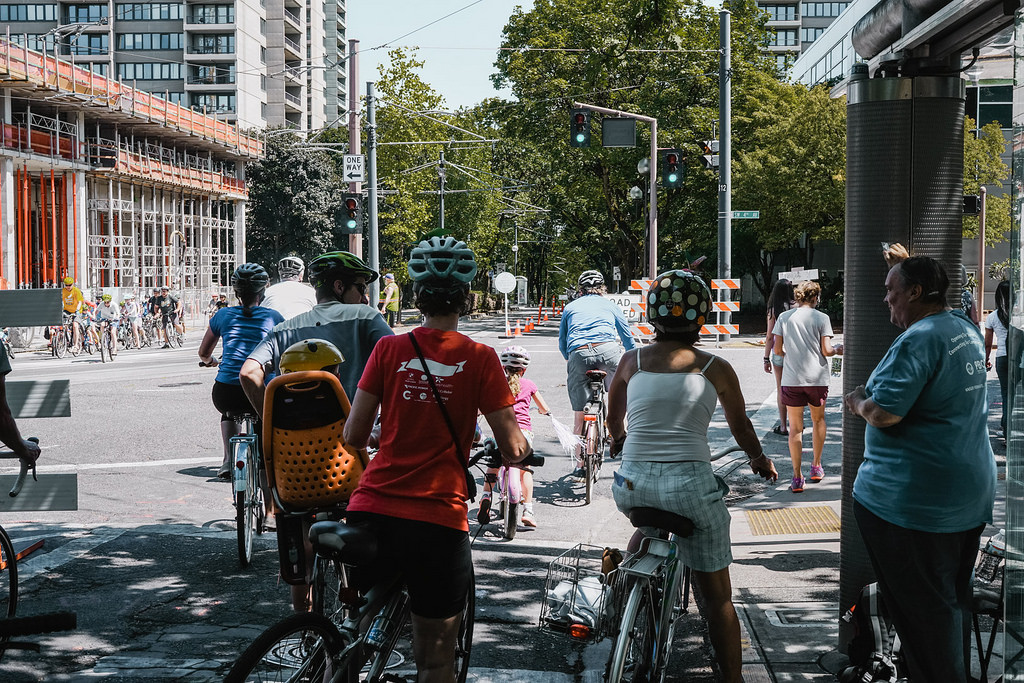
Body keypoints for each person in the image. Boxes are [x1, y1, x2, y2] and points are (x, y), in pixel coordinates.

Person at [344, 236, 531, 683]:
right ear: (465, 300)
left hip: (369, 511)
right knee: (434, 662)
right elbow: (513, 446)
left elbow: (353, 434)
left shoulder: (388, 350)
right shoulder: (481, 358)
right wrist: (519, 452)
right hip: (437, 521)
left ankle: (336, 659)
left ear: (416, 297)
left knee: (353, 631)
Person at [606, 269, 778, 683]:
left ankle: (622, 582)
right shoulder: (715, 366)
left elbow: (614, 418)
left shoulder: (633, 360)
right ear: (702, 319)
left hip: (631, 484)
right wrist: (758, 459)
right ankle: (733, 679)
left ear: (653, 315)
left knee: (648, 520)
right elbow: (741, 426)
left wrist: (618, 440)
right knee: (718, 599)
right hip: (690, 488)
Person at [844, 256, 995, 683]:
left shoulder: (919, 338)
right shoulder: (962, 328)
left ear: (914, 292)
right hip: (964, 497)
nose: (885, 297)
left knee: (923, 614)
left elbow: (886, 412)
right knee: (947, 603)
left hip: (914, 505)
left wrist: (857, 401)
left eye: (892, 288)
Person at [239, 250, 393, 415]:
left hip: (295, 437)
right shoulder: (365, 316)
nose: (364, 298)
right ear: (339, 287)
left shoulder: (283, 329)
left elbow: (248, 372)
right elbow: (398, 361)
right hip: (355, 434)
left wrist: (272, 421)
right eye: (361, 288)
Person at [198, 263, 284, 479]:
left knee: (228, 414)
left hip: (227, 392)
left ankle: (227, 460)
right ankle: (268, 464)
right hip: (260, 388)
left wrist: (210, 361)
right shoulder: (273, 317)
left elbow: (203, 353)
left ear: (236, 293)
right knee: (267, 419)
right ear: (262, 292)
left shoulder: (223, 315)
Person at [558, 269, 636, 479]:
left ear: (580, 289)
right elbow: (627, 338)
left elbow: (562, 342)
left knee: (579, 415)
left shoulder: (570, 307)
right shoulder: (611, 305)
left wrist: (572, 358)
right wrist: (633, 358)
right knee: (617, 394)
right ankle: (616, 433)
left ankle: (580, 463)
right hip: (608, 351)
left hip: (579, 354)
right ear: (603, 288)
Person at [772, 280, 843, 492]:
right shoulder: (822, 318)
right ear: (815, 297)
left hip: (792, 380)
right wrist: (838, 349)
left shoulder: (784, 318)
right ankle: (816, 466)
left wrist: (791, 356)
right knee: (818, 420)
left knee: (795, 428)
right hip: (817, 379)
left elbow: (777, 350)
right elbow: (827, 350)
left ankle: (796, 476)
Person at [478, 345, 550, 529]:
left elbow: (481, 406)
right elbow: (544, 408)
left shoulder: (495, 383)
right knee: (525, 468)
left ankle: (486, 496)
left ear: (503, 367)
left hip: (499, 432)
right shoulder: (530, 385)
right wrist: (544, 412)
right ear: (524, 369)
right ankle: (528, 509)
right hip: (522, 435)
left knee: (493, 464)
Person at [762, 278, 795, 436]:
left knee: (781, 388)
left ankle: (783, 426)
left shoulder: (773, 310)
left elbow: (769, 336)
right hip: (796, 353)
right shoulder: (798, 307)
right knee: (796, 388)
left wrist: (766, 358)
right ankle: (797, 424)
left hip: (778, 352)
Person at [985, 279, 1011, 437]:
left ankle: (1006, 427)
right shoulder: (1018, 314)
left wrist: (986, 359)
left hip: (1002, 357)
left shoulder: (992, 317)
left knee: (1006, 393)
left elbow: (987, 343)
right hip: (1019, 358)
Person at [261, 255, 317, 321]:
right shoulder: (311, 292)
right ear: (301, 274)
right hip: (302, 329)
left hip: (274, 329)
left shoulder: (267, 292)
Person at [61, 276, 86, 349]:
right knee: (63, 325)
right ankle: (64, 340)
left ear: (72, 284)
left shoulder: (76, 291)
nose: (68, 287)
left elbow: (80, 302)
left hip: (76, 311)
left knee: (75, 326)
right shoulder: (63, 291)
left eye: (70, 285)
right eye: (66, 285)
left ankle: (75, 345)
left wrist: (77, 310)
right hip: (67, 310)